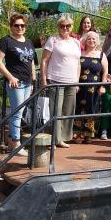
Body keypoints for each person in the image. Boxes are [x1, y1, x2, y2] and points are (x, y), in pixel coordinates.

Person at [0, 13, 36, 157]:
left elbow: (31, 62)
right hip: (15, 82)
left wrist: (33, 80)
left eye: (22, 25)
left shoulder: (28, 42)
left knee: (20, 111)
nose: (20, 28)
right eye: (16, 25)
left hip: (27, 82)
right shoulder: (6, 41)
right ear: (11, 26)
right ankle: (16, 144)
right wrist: (10, 77)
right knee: (17, 113)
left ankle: (12, 142)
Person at [40, 14, 81, 148]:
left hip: (71, 81)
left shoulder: (76, 42)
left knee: (68, 111)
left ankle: (61, 138)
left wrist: (77, 81)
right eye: (62, 26)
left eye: (68, 25)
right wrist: (44, 79)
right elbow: (44, 60)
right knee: (55, 110)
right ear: (58, 27)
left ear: (72, 27)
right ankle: (54, 139)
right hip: (55, 80)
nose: (65, 28)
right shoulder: (53, 40)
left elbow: (78, 63)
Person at [78, 31, 108, 142]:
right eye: (89, 39)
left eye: (94, 39)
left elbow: (105, 72)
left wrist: (103, 86)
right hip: (80, 86)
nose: (91, 41)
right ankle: (78, 133)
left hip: (95, 87)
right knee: (78, 108)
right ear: (85, 41)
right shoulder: (80, 53)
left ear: (97, 42)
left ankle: (88, 134)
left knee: (92, 108)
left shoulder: (101, 55)